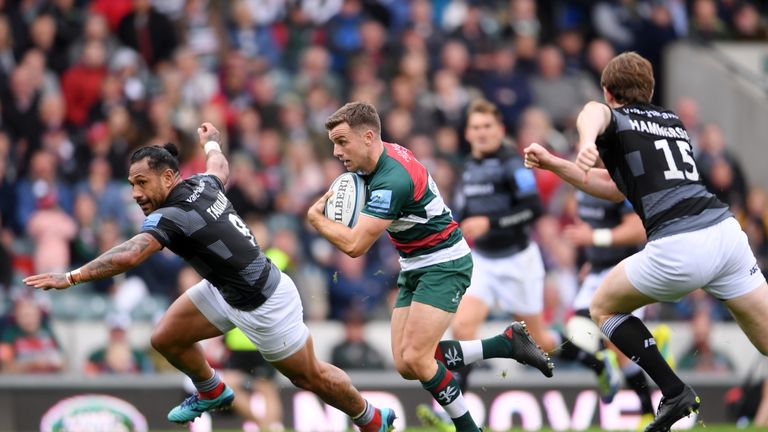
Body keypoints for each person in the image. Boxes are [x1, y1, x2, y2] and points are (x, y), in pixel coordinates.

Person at [24, 122, 396, 432]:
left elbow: (131, 254)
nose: (135, 193)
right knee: (166, 338)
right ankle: (211, 389)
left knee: (310, 377)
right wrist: (212, 142)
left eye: (142, 183)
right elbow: (220, 167)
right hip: (225, 289)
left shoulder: (172, 216)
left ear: (168, 177)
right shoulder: (203, 183)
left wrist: (71, 277)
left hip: (265, 304)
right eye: (131, 184)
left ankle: (370, 417)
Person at [523, 51, 768, 432]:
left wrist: (586, 141)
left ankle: (674, 392)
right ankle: (673, 393)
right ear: (650, 90)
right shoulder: (671, 121)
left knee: (602, 307)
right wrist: (556, 163)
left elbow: (593, 113)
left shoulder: (611, 116)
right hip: (726, 234)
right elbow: (612, 188)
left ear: (607, 91)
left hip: (679, 243)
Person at [307, 101, 553, 432]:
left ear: (368, 137)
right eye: (334, 144)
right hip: (415, 264)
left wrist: (316, 221)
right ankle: (504, 344)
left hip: (444, 263)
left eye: (342, 142)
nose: (336, 152)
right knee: (405, 363)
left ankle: (469, 428)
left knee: (419, 359)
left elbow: (355, 246)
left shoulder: (393, 179)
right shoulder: (377, 161)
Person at [414, 99, 606, 430]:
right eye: (475, 127)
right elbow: (462, 215)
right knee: (462, 328)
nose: (481, 132)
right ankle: (454, 412)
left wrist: (491, 222)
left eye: (487, 126)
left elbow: (533, 209)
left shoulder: (512, 164)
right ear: (468, 133)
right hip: (484, 262)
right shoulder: (468, 170)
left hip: (519, 261)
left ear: (500, 130)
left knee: (542, 341)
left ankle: (598, 365)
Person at [563, 191, 659, 426]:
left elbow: (637, 230)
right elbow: (591, 229)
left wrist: (596, 238)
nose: (581, 152)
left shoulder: (616, 186)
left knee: (619, 346)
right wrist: (592, 258)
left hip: (624, 269)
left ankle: (648, 413)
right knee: (576, 334)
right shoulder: (579, 189)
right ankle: (601, 366)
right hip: (596, 271)